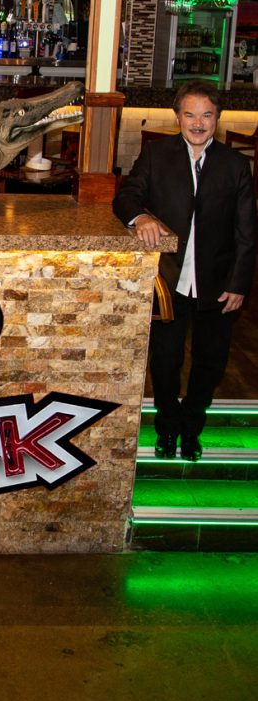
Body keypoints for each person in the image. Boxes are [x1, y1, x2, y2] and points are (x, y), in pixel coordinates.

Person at [113, 80, 256, 461]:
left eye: (206, 115)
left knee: (211, 362)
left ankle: (192, 428)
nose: (198, 123)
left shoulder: (235, 165)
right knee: (165, 360)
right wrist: (141, 216)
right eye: (190, 114)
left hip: (218, 284)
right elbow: (125, 196)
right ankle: (166, 427)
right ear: (177, 117)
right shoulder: (156, 155)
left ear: (217, 119)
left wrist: (239, 283)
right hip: (169, 282)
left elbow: (246, 232)